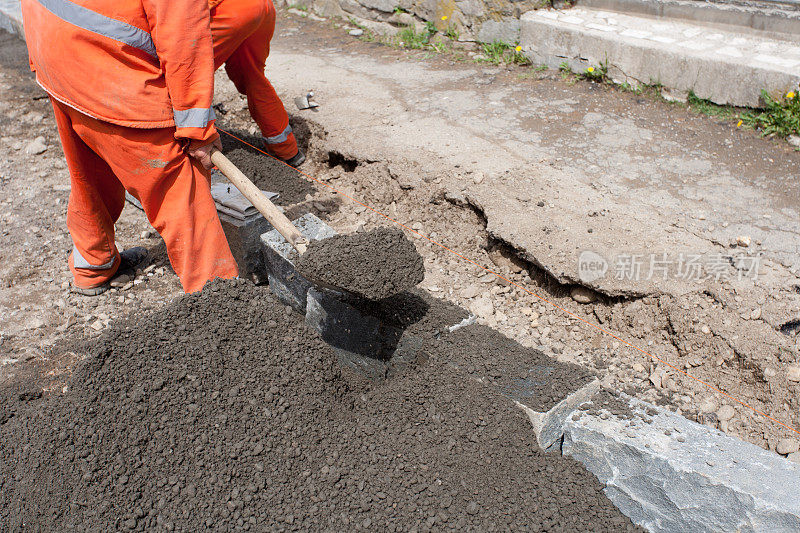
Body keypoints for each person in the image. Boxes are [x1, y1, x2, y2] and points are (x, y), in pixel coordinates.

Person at [21, 0, 239, 295]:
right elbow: (182, 34)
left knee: (89, 172)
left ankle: (92, 263)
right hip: (113, 74)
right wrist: (198, 130)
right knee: (182, 194)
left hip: (56, 56)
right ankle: (222, 305)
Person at [209, 0, 305, 166]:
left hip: (228, 12)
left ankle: (192, 143)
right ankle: (287, 150)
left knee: (184, 76)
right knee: (252, 75)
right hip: (261, 6)